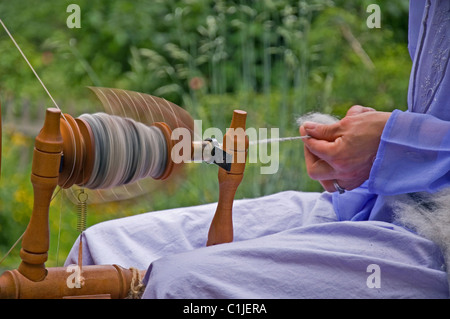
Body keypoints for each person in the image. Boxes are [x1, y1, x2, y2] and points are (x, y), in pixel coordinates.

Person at [65, 0, 449, 298]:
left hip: (437, 245)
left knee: (179, 285)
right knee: (101, 247)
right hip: (384, 204)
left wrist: (400, 144)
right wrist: (370, 156)